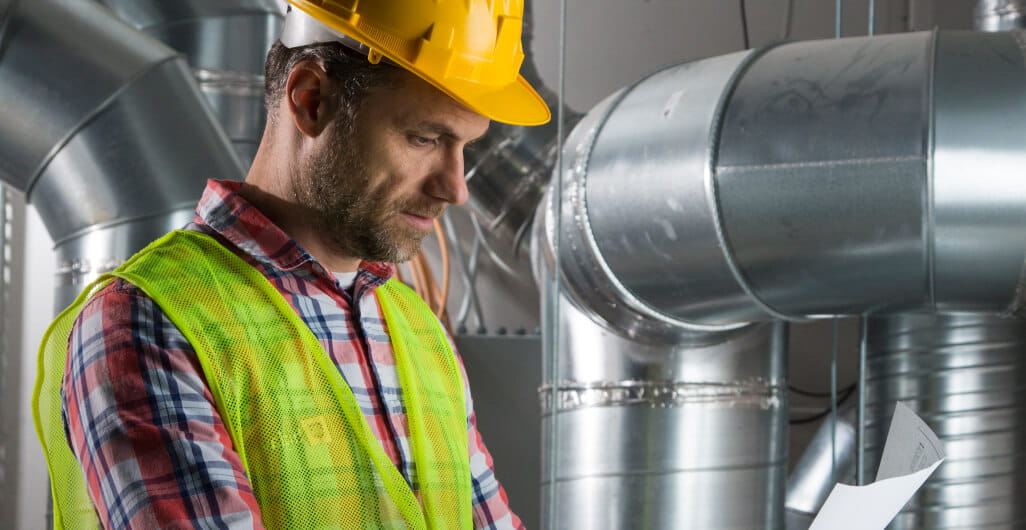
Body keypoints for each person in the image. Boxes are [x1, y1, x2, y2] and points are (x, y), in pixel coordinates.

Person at [34, 1, 550, 528]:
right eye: (424, 138)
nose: (456, 187)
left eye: (465, 146)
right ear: (311, 100)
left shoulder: (420, 333)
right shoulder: (154, 323)